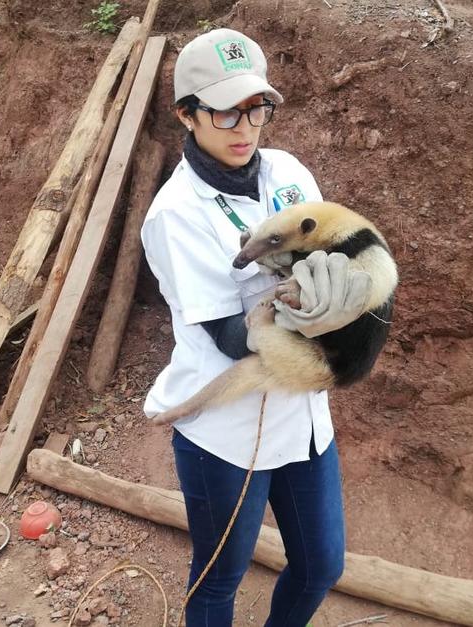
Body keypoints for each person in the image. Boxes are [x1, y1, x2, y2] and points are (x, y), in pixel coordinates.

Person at [140, 28, 345, 626]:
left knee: (321, 564)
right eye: (226, 111)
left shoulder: (288, 172)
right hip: (227, 430)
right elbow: (230, 338)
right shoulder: (176, 215)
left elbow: (332, 255)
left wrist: (348, 296)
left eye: (257, 108)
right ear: (187, 114)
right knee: (219, 578)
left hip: (303, 418)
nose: (245, 128)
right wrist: (320, 318)